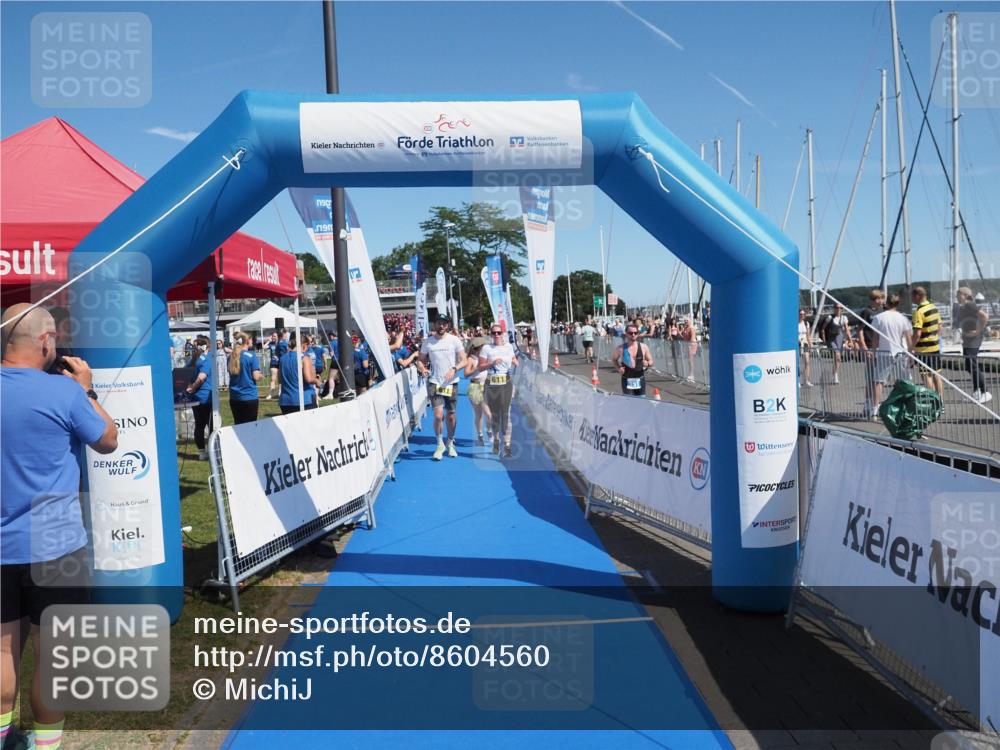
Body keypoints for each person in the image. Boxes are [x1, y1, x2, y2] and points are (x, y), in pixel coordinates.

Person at [1, 304, 117, 750]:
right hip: (57, 547)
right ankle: (45, 744)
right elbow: (108, 440)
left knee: (3, 652)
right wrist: (87, 390)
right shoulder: (63, 393)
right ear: (46, 341)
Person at [418, 316, 467, 460]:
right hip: (435, 382)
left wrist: (454, 368)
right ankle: (440, 444)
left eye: (444, 324)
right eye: (439, 323)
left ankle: (450, 442)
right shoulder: (428, 342)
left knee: (451, 415)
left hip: (451, 383)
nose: (441, 326)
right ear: (435, 324)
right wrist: (423, 369)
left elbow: (464, 360)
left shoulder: (454, 340)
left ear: (448, 326)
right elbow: (420, 361)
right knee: (438, 415)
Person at [870, 293, 914, 418]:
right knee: (903, 381)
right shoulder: (903, 318)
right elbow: (908, 338)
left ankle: (875, 409)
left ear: (887, 303)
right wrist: (911, 355)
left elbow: (875, 338)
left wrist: (873, 352)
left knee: (879, 381)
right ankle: (904, 407)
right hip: (900, 352)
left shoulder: (879, 318)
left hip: (884, 351)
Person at [478, 325, 519, 456]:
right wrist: (492, 363)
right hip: (491, 384)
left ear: (502, 334)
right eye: (493, 333)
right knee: (495, 415)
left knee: (506, 414)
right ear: (490, 334)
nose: (496, 335)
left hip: (506, 383)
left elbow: (512, 358)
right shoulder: (486, 348)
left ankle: (507, 445)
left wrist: (515, 361)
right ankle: (496, 440)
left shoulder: (508, 347)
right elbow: (480, 367)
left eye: (498, 332)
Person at [955, 286, 992, 404]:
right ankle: (977, 392)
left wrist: (978, 330)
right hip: (967, 339)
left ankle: (986, 392)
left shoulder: (970, 304)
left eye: (958, 294)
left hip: (974, 339)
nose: (956, 296)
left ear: (965, 295)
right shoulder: (963, 307)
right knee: (968, 365)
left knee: (972, 364)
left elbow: (984, 316)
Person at [855, 290, 885, 417]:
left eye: (882, 298)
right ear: (875, 299)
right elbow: (860, 330)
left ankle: (871, 404)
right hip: (869, 347)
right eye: (880, 299)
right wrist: (865, 347)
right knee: (872, 378)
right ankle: (871, 405)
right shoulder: (866, 312)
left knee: (876, 378)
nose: (882, 301)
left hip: (880, 348)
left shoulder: (882, 312)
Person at [911, 286, 944, 400]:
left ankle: (932, 401)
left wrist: (911, 347)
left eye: (912, 297)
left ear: (917, 296)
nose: (912, 299)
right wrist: (935, 338)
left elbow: (917, 333)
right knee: (937, 375)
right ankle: (940, 401)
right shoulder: (934, 307)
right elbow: (940, 327)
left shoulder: (919, 311)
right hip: (935, 346)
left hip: (923, 349)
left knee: (926, 376)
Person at [184, 337, 214, 460]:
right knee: (211, 425)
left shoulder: (193, 360)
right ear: (207, 346)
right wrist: (193, 387)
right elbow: (202, 377)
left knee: (199, 424)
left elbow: (184, 372)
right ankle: (213, 452)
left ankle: (202, 452)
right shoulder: (206, 360)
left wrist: (190, 387)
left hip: (196, 398)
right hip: (206, 397)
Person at [278, 334, 318, 414]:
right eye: (308, 346)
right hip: (304, 400)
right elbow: (309, 379)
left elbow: (280, 379)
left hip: (286, 401)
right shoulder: (305, 358)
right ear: (304, 345)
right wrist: (318, 381)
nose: (308, 349)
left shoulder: (282, 358)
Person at [228, 333, 262, 424]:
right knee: (250, 427)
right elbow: (256, 376)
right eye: (251, 339)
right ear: (247, 341)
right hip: (249, 397)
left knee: (238, 425)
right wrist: (261, 375)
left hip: (234, 397)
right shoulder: (251, 356)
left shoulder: (231, 356)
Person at [464, 337, 492, 446]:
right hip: (475, 387)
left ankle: (489, 431)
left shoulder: (486, 358)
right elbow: (466, 374)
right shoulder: (471, 359)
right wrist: (477, 368)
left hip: (486, 386)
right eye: (483, 347)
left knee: (489, 414)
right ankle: (480, 435)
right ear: (477, 348)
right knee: (479, 414)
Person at [613, 324, 653, 396]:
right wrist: (619, 368)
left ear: (638, 333)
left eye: (635, 333)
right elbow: (614, 360)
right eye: (630, 333)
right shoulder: (620, 348)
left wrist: (648, 363)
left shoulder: (644, 347)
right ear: (626, 334)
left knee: (642, 402)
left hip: (640, 379)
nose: (633, 335)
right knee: (630, 403)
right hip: (627, 379)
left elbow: (651, 361)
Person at [818, 305, 850, 385]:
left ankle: (835, 374)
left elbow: (846, 330)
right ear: (834, 309)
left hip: (839, 337)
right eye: (836, 307)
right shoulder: (830, 317)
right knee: (837, 354)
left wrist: (850, 340)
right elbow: (823, 328)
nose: (838, 309)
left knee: (838, 358)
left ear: (842, 309)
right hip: (831, 339)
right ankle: (835, 376)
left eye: (840, 308)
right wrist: (824, 339)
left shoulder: (844, 318)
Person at [797, 309, 815, 388]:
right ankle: (797, 381)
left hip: (805, 344)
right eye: (801, 314)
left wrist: (811, 344)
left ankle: (806, 380)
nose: (802, 315)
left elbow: (808, 335)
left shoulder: (806, 323)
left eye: (803, 314)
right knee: (797, 363)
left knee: (807, 362)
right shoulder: (795, 324)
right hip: (797, 344)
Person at [265, 332, 280, 400]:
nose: (273, 337)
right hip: (273, 363)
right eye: (273, 336)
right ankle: (271, 394)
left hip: (280, 363)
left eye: (275, 336)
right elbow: (264, 347)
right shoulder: (271, 344)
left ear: (278, 337)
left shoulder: (280, 343)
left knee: (280, 380)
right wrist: (269, 340)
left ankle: (280, 394)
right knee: (272, 379)